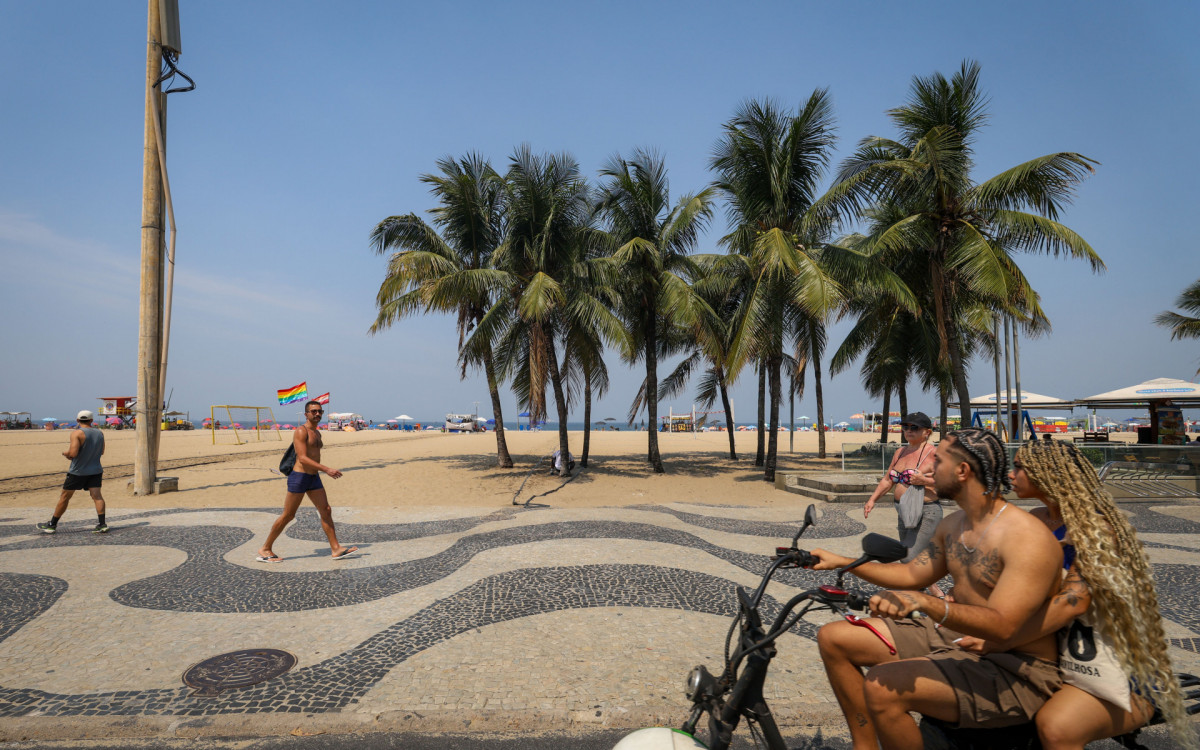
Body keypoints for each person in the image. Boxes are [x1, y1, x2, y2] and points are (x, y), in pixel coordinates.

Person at [811, 428, 1064, 750]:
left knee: (881, 685)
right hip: (956, 637)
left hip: (1017, 668)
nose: (928, 470)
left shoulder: (1026, 538)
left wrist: (927, 605)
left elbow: (1003, 626)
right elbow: (911, 575)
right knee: (835, 638)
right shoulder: (954, 524)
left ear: (962, 471)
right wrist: (841, 561)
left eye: (937, 461)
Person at [956, 440, 1197, 750]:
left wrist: (996, 640)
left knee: (1057, 729)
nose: (1011, 475)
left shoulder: (1097, 530)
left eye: (1019, 467)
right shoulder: (1035, 521)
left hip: (1114, 665)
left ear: (1048, 475)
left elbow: (1073, 603)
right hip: (1045, 652)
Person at [257, 400, 357, 562]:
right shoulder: (300, 432)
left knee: (326, 509)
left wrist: (320, 470)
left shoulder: (317, 433)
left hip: (313, 477)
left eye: (320, 411)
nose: (317, 414)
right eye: (313, 411)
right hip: (300, 477)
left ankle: (336, 549)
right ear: (306, 414)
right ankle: (265, 548)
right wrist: (327, 469)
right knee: (288, 515)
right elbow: (302, 458)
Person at [862, 412, 940, 564]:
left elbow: (946, 482)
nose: (909, 430)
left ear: (927, 432)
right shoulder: (900, 452)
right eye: (905, 427)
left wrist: (923, 480)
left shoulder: (934, 454)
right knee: (908, 555)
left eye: (915, 427)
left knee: (907, 556)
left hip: (926, 511)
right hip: (903, 510)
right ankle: (928, 586)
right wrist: (872, 500)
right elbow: (887, 480)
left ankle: (916, 585)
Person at [38, 410, 108, 534]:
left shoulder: (77, 433)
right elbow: (101, 452)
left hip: (78, 471)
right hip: (96, 470)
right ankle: (102, 524)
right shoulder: (100, 433)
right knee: (97, 497)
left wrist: (66, 454)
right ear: (91, 421)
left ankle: (52, 524)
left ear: (77, 420)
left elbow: (73, 454)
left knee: (65, 497)